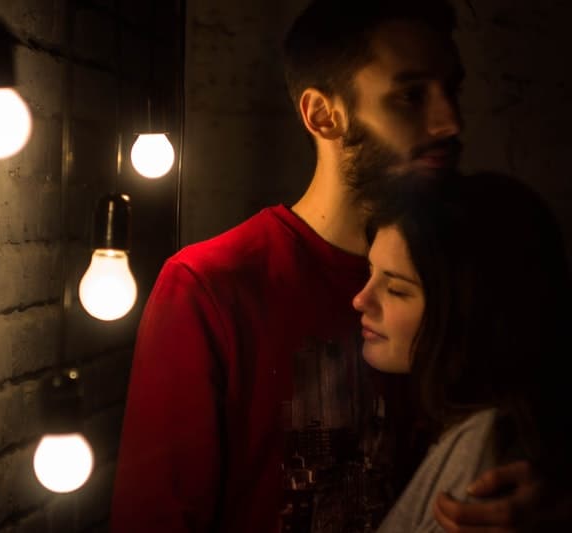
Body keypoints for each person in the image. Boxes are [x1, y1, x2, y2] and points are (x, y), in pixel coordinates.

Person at [111, 1, 535, 531]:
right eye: (410, 96)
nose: (449, 122)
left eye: (452, 90)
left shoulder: (481, 278)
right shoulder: (210, 288)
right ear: (323, 114)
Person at [353, 172, 571, 532]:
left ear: (471, 315)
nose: (360, 299)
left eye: (396, 290)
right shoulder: (456, 427)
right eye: (370, 271)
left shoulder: (487, 467)